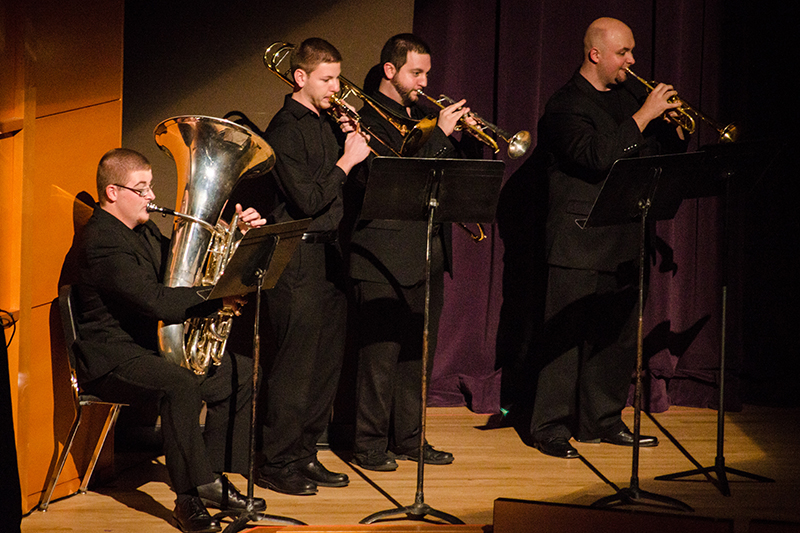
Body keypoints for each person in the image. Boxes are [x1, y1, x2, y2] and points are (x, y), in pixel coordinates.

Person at [73, 148, 267, 533]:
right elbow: (154, 299)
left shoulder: (141, 230)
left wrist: (237, 238)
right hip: (111, 357)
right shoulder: (101, 242)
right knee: (178, 384)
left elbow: (184, 269)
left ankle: (215, 476)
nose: (151, 196)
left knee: (239, 372)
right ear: (113, 192)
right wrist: (215, 300)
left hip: (144, 346)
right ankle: (190, 497)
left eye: (150, 186)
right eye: (141, 188)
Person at [524, 17, 689, 459]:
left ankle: (602, 420)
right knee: (565, 338)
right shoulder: (564, 106)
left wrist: (672, 127)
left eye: (632, 51)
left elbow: (656, 158)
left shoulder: (632, 98)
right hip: (579, 238)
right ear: (595, 54)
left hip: (626, 236)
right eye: (623, 53)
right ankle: (550, 427)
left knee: (616, 338)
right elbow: (596, 157)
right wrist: (644, 116)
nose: (632, 61)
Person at [346, 33, 476, 472]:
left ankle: (410, 439)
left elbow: (454, 177)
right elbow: (393, 179)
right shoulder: (366, 116)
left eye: (426, 73)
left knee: (417, 356)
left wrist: (465, 137)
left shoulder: (423, 114)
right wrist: (439, 136)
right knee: (379, 359)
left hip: (427, 251)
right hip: (381, 252)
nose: (424, 81)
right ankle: (367, 446)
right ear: (390, 71)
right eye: (415, 72)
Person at [256, 38, 371, 496]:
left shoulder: (327, 123)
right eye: (326, 79)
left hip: (330, 255)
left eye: (337, 77)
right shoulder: (284, 128)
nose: (335, 87)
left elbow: (347, 190)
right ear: (300, 77)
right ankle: (277, 461)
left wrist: (348, 143)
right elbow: (306, 199)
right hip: (297, 255)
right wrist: (346, 159)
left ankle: (305, 454)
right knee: (294, 367)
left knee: (324, 365)